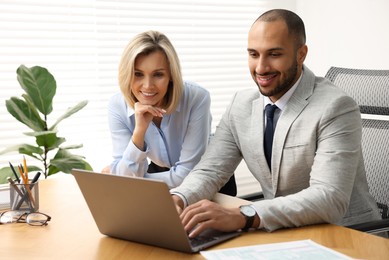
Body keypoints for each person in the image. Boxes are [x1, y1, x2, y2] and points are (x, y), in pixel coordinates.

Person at [171, 9, 381, 237]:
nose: (261, 67)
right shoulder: (240, 105)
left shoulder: (336, 107)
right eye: (253, 54)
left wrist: (244, 215)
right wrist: (179, 198)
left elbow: (329, 197)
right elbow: (210, 171)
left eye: (274, 54)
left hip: (347, 234)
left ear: (301, 54)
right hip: (284, 232)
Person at [105, 30, 212, 189]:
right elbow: (124, 181)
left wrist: (128, 178)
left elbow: (187, 174)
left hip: (205, 176)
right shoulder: (117, 106)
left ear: (171, 75)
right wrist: (139, 130)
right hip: (159, 173)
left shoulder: (196, 98)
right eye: (138, 74)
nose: (148, 86)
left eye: (158, 74)